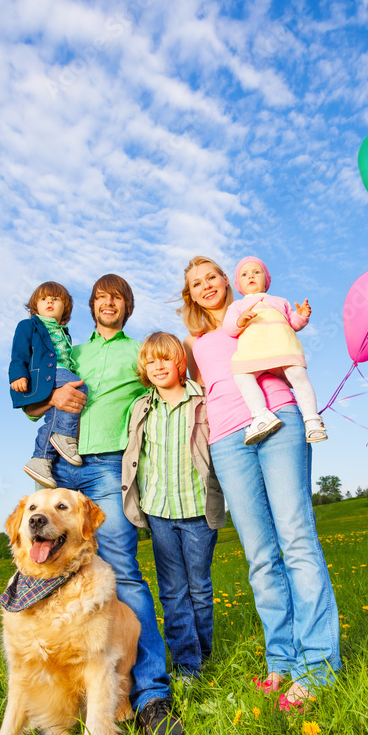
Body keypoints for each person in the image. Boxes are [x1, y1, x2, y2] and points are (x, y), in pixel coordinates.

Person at [24, 275, 183, 735]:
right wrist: (51, 398)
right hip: (56, 471)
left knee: (123, 574)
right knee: (49, 578)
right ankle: (58, 696)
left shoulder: (138, 352)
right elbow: (34, 407)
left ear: (126, 306)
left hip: (107, 469)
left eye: (116, 297)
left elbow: (164, 386)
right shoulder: (72, 351)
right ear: (91, 306)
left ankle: (152, 695)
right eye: (100, 297)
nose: (107, 302)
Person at [180, 256, 341, 709]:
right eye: (197, 283)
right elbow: (198, 388)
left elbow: (291, 344)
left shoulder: (259, 311)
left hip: (279, 421)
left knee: (296, 538)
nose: (207, 285)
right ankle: (281, 662)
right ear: (190, 294)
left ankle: (319, 668)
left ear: (226, 280)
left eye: (212, 276)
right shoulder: (194, 341)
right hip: (228, 440)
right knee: (260, 556)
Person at [122, 332, 224, 679]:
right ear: (144, 368)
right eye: (151, 361)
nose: (158, 366)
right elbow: (136, 456)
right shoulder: (141, 408)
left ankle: (203, 652)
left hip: (197, 508)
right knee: (172, 591)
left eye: (165, 358)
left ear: (180, 362)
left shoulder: (205, 400)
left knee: (199, 587)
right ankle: (186, 665)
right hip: (159, 511)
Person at [223, 256, 327, 445]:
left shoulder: (281, 301)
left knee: (299, 377)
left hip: (284, 349)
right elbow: (229, 328)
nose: (251, 276)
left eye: (257, 272)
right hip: (253, 353)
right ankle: (261, 415)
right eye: (244, 274)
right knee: (242, 376)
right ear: (239, 284)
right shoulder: (237, 306)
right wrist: (240, 320)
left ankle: (312, 421)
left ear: (267, 278)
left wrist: (301, 316)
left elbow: (293, 323)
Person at [9, 281, 86, 489]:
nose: (49, 301)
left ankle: (41, 459)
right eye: (43, 299)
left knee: (55, 414)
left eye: (56, 299)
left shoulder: (64, 332)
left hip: (57, 374)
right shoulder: (29, 325)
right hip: (47, 375)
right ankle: (65, 436)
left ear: (65, 308)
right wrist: (18, 375)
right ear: (35, 306)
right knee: (78, 388)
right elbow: (19, 353)